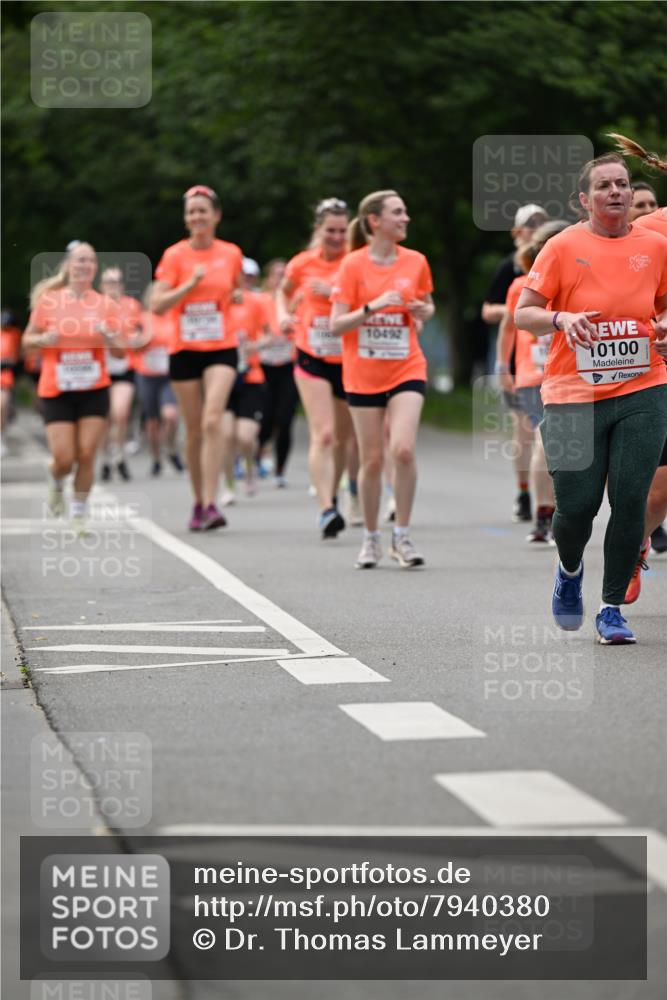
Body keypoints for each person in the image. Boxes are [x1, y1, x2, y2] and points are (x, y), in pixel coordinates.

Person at [515, 152, 667, 644]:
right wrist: (562, 319)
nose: (617, 192)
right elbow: (525, 313)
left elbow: (663, 306)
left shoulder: (656, 246)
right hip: (572, 393)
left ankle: (611, 608)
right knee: (577, 507)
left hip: (643, 385)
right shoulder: (562, 247)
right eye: (604, 186)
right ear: (585, 199)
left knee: (629, 502)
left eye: (622, 184)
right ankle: (569, 568)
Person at [330, 189, 435, 569]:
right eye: (398, 212)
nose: (406, 218)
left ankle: (402, 536)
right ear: (375, 221)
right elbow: (336, 324)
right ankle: (371, 538)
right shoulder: (352, 266)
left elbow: (426, 305)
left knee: (403, 449)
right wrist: (375, 305)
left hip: (407, 365)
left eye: (405, 211)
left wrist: (422, 310)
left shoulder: (416, 261)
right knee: (372, 460)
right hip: (363, 373)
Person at [152, 184, 243, 531]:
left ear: (216, 215)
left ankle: (211, 502)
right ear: (185, 219)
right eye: (191, 211)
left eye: (203, 210)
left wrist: (235, 296)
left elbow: (234, 289)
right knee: (193, 430)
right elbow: (157, 305)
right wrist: (188, 286)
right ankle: (197, 501)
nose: (197, 217)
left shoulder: (231, 253)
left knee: (211, 420)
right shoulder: (174, 256)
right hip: (185, 350)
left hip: (221, 346)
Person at [22, 242, 126, 532]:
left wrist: (109, 338)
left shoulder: (106, 305)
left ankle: (78, 514)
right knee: (64, 458)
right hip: (57, 389)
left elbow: (120, 353)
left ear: (95, 268)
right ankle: (56, 479)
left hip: (93, 389)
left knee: (87, 452)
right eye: (79, 260)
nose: (84, 266)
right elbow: (27, 342)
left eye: (90, 261)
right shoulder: (49, 301)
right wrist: (42, 340)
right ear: (68, 265)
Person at [608, 133, 667, 577]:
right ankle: (633, 547)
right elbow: (620, 296)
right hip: (659, 370)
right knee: (659, 494)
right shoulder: (649, 230)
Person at [278, 198, 353, 538]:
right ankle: (326, 508)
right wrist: (281, 314)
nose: (336, 237)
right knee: (322, 434)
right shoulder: (301, 263)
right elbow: (282, 292)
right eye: (330, 231)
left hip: (349, 356)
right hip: (311, 353)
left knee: (341, 438)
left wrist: (335, 290)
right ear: (318, 230)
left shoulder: (356, 261)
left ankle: (333, 493)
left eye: (342, 231)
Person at [496, 221, 569, 543]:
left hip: (570, 376)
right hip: (532, 377)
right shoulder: (521, 287)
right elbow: (508, 328)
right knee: (544, 442)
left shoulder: (576, 282)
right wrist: (502, 367)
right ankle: (544, 516)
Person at [483, 204, 548, 523]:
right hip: (516, 356)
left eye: (541, 222)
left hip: (551, 358)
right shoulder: (510, 269)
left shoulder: (557, 261)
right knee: (525, 431)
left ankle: (548, 502)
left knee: (547, 435)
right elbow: (487, 311)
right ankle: (524, 492)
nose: (535, 228)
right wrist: (518, 310)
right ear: (516, 232)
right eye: (529, 224)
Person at [220, 258, 272, 503]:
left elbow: (268, 334)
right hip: (223, 375)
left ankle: (250, 467)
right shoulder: (220, 300)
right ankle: (229, 485)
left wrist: (253, 346)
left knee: (245, 436)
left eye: (250, 276)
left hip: (250, 375)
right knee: (226, 436)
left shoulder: (258, 301)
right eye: (242, 274)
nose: (245, 279)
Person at [256, 258, 299, 488]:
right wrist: (263, 338)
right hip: (263, 366)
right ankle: (257, 453)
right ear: (269, 279)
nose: (281, 279)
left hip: (289, 365)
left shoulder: (297, 300)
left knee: (285, 420)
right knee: (265, 420)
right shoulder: (260, 301)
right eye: (277, 275)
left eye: (285, 275)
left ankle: (280, 469)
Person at [133, 284, 183, 477]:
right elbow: (134, 344)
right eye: (157, 295)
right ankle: (156, 458)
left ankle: (170, 449)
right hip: (147, 374)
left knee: (170, 416)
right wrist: (144, 339)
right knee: (153, 422)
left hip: (170, 375)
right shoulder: (142, 318)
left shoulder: (175, 316)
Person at [98, 267, 142, 482]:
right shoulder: (94, 306)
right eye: (108, 282)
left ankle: (120, 455)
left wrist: (135, 338)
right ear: (101, 286)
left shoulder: (131, 305)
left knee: (121, 413)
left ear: (122, 285)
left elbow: (138, 331)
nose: (112, 286)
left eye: (116, 282)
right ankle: (106, 459)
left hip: (124, 365)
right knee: (104, 418)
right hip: (100, 369)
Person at [1, 309, 22, 455]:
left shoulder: (13, 334)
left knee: (2, 404)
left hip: (5, 373)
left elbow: (16, 355)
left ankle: (1, 435)